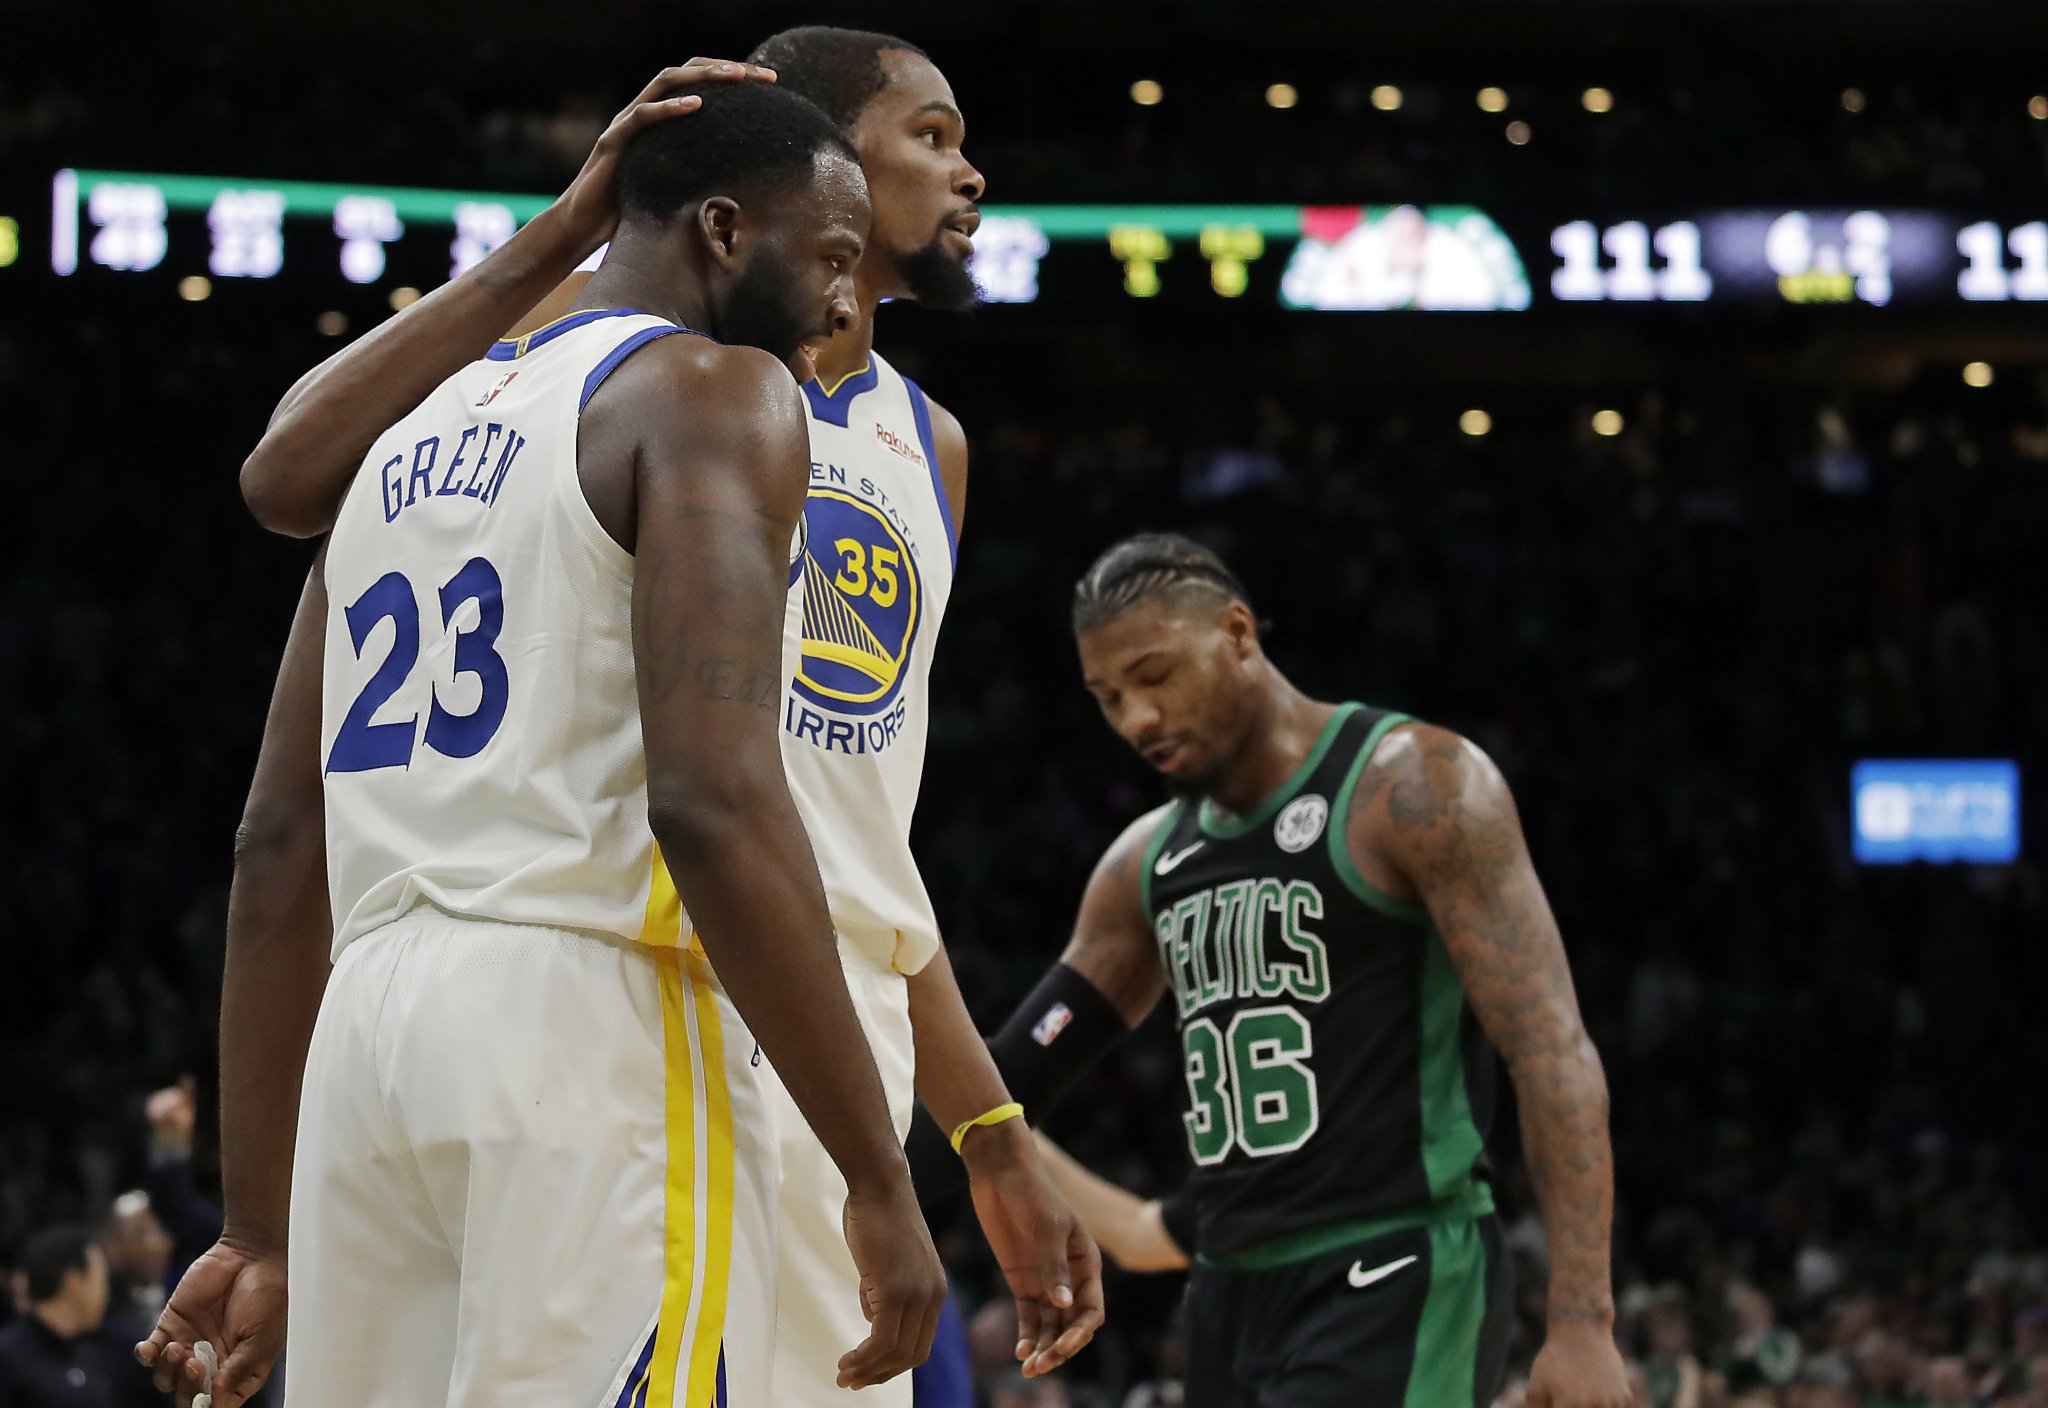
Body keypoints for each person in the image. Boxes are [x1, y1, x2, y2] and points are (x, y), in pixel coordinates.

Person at [222, 32, 1103, 1408]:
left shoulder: (923, 446)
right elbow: (726, 806)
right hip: (658, 1000)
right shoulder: (635, 382)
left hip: (606, 1010)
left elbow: (853, 835)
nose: (968, 169)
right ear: (782, 175)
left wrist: (984, 1127)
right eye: (930, 133)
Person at [916, 533, 1635, 1407]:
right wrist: (858, 1188)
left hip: (1398, 1266)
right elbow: (1016, 1071)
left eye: (1155, 676)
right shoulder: (1145, 864)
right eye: (1108, 697)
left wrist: (1583, 1321)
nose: (1136, 718)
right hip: (1227, 1291)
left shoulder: (1415, 786)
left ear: (1239, 634)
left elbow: (1553, 1051)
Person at [0, 1226, 145, 1407]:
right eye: (100, 1279)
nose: (106, 1294)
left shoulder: (97, 1355)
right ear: (73, 1281)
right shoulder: (8, 1358)